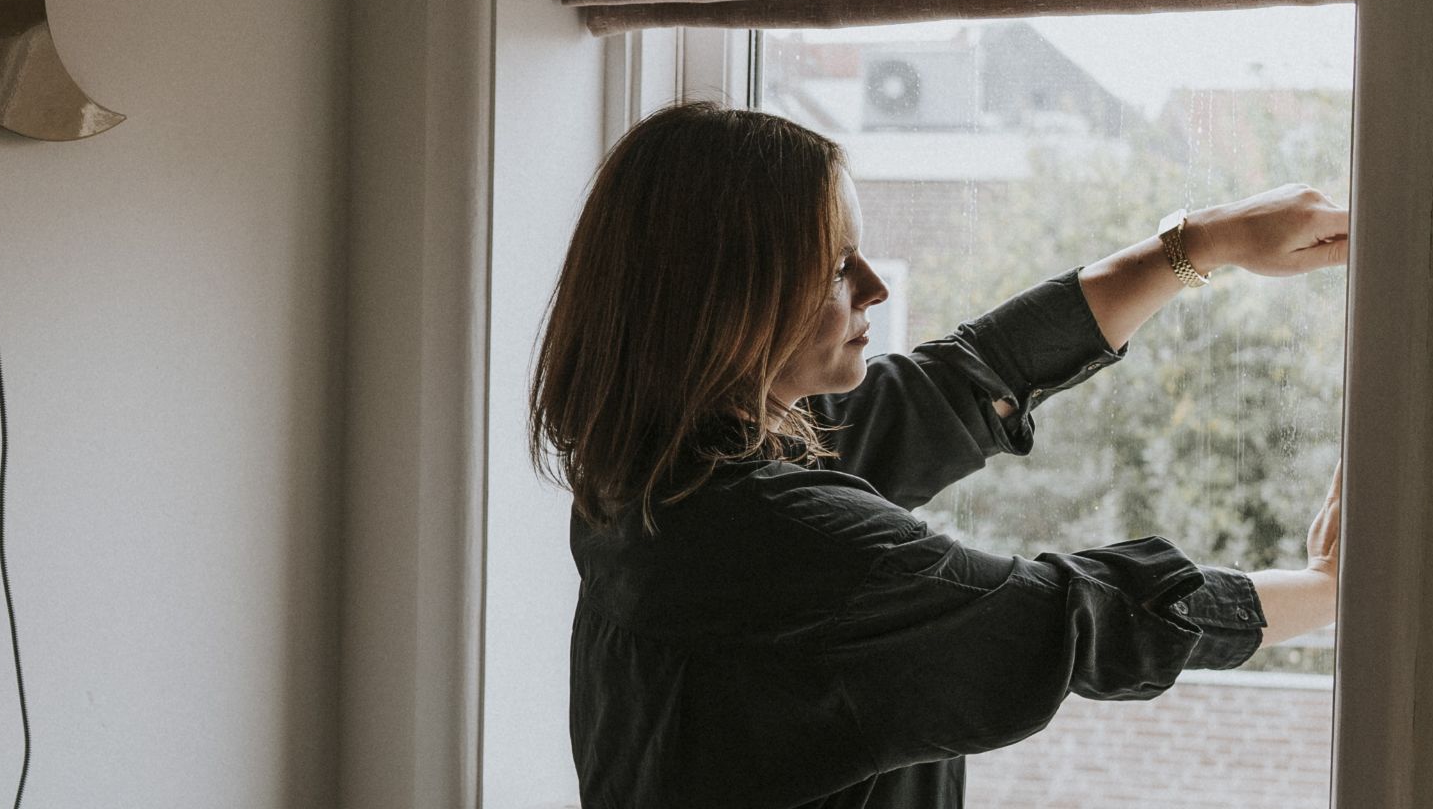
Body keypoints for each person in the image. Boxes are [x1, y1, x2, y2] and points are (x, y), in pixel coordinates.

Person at [533, 102, 1351, 809]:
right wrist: (1332, 591)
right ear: (729, 301)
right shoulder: (782, 542)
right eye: (835, 268)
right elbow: (1077, 620)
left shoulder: (650, 475)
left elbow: (957, 385)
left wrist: (1202, 243)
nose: (874, 287)